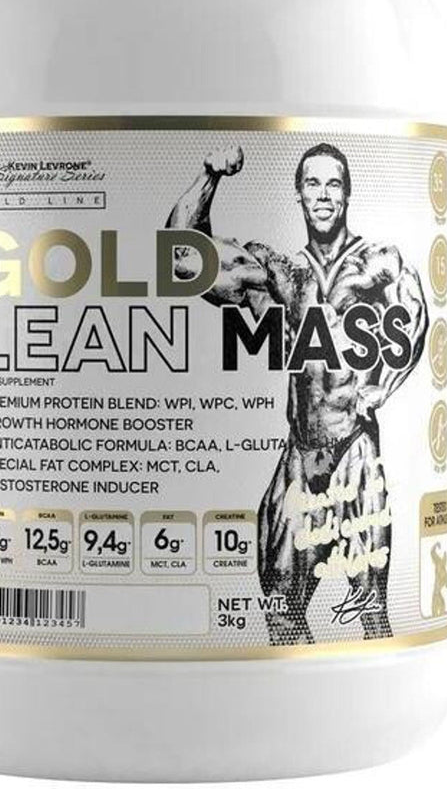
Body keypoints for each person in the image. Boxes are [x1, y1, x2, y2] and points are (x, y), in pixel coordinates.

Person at [167, 142, 428, 644]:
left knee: (371, 610)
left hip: (354, 449)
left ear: (347, 194)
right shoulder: (279, 272)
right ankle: (299, 686)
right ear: (299, 194)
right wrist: (209, 175)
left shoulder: (379, 263)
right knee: (278, 604)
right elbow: (180, 262)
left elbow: (416, 320)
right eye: (312, 184)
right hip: (300, 455)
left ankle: (369, 684)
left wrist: (381, 388)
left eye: (333, 184)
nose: (323, 195)